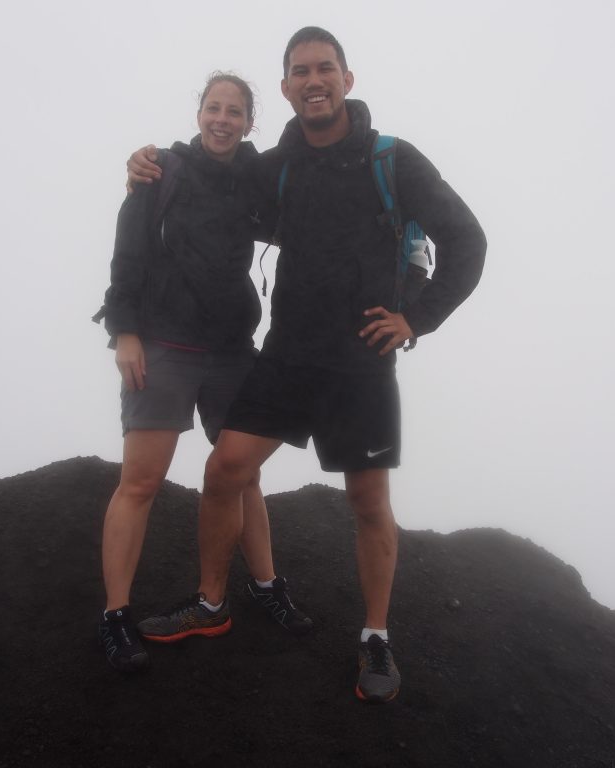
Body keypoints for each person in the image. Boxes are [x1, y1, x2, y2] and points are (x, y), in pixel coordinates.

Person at [127, 28, 486, 702]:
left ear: (347, 79)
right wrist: (152, 165)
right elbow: (215, 176)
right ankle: (212, 604)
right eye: (299, 72)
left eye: (325, 69)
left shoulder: (393, 160)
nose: (313, 80)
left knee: (368, 502)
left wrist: (419, 316)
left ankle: (375, 639)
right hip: (288, 354)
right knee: (224, 469)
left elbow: (468, 240)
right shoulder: (277, 166)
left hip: (362, 362)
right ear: (287, 88)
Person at [95, 72, 311, 674]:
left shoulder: (256, 178)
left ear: (249, 122)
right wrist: (125, 332)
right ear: (199, 114)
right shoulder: (161, 170)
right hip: (162, 344)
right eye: (213, 108)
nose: (222, 119)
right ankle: (116, 616)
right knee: (140, 482)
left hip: (231, 349)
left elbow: (301, 213)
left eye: (235, 111)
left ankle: (264, 586)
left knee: (242, 476)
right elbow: (127, 252)